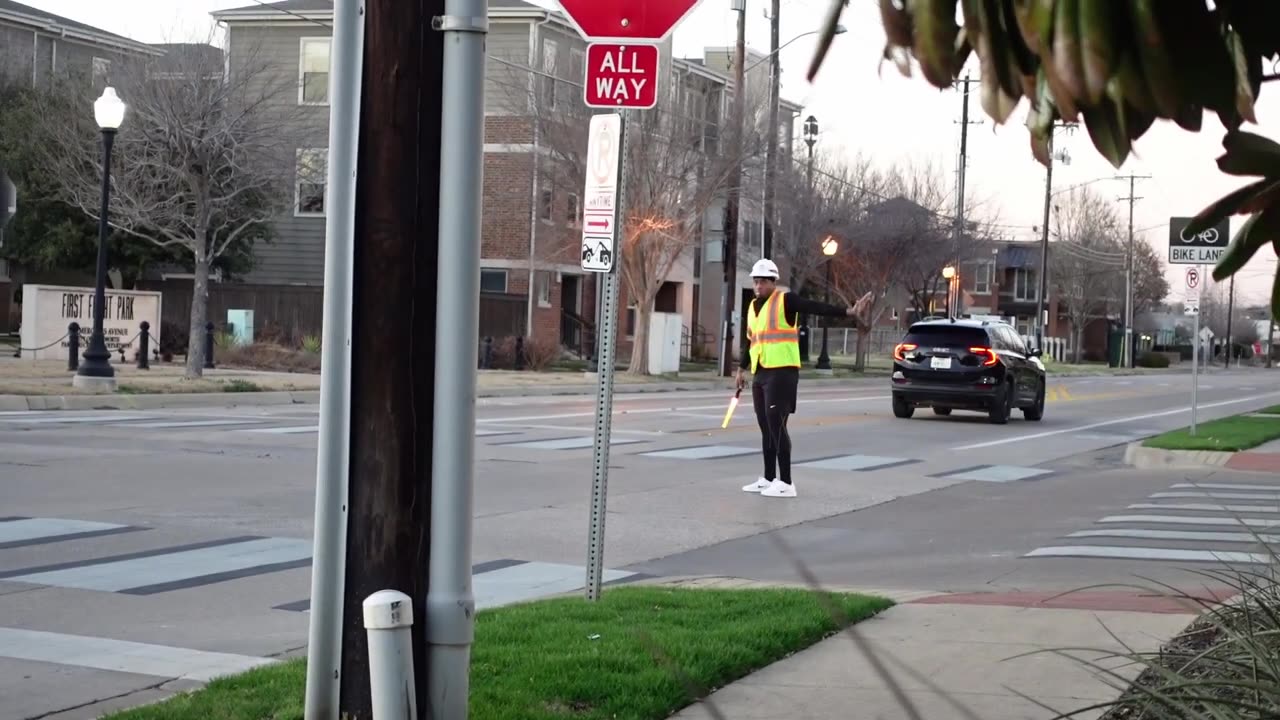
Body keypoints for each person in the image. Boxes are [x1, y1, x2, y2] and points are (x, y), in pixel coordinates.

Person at [735, 258, 873, 498]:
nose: (758, 286)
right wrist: (741, 369)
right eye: (756, 282)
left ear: (773, 282)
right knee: (765, 427)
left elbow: (814, 306)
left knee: (777, 425)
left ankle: (786, 483)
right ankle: (768, 478)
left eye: (762, 282)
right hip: (761, 372)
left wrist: (848, 311)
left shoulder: (785, 300)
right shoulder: (753, 307)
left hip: (783, 372)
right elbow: (752, 341)